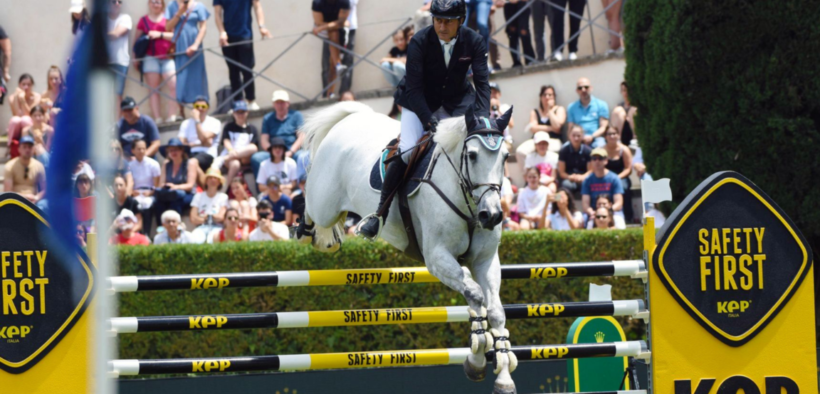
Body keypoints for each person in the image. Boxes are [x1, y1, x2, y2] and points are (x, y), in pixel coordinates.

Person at [359, 0, 491, 238]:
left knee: (478, 147)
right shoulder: (419, 41)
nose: (442, 26)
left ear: (460, 21)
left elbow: (482, 86)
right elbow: (414, 90)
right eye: (438, 20)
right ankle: (380, 214)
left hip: (456, 101)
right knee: (409, 149)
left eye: (448, 21)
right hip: (417, 101)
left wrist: (482, 120)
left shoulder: (474, 41)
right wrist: (429, 120)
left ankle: (485, 206)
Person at [214, 0, 272, 111]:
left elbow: (257, 5)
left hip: (245, 34)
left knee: (247, 68)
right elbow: (217, 13)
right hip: (227, 37)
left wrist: (262, 26)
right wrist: (221, 31)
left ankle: (251, 100)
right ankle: (238, 102)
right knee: (233, 71)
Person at [135, 0, 179, 123]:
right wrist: (135, 58)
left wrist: (159, 34)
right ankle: (157, 118)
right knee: (153, 89)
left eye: (158, 2)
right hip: (150, 57)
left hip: (167, 57)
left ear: (162, 5)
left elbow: (175, 35)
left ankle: (171, 116)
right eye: (153, 2)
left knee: (174, 85)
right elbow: (137, 40)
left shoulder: (168, 18)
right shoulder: (143, 20)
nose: (156, 4)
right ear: (149, 4)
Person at [165, 0, 210, 108]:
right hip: (180, 45)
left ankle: (199, 106)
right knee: (181, 76)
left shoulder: (198, 6)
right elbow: (167, 27)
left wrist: (196, 44)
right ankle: (181, 109)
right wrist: (179, 13)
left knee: (197, 76)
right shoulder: (172, 5)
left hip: (195, 45)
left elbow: (203, 27)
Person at [252, 90, 305, 178]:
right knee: (256, 158)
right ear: (273, 104)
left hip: (292, 150)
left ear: (288, 103)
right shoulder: (267, 118)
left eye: (282, 102)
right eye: (277, 102)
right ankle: (263, 189)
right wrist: (274, 152)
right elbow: (264, 140)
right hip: (274, 150)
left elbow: (302, 137)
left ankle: (302, 187)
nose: (280, 105)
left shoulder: (296, 115)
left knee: (303, 156)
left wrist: (290, 152)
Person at [312, 0, 351, 99]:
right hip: (323, 31)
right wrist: (331, 26)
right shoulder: (317, 2)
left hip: (338, 31)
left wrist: (326, 26)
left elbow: (341, 22)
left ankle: (330, 93)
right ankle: (338, 65)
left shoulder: (345, 1)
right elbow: (318, 22)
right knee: (328, 66)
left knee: (332, 65)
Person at [178, 95, 221, 184]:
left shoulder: (214, 122)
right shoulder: (185, 123)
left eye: (203, 106)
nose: (200, 109)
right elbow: (182, 144)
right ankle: (204, 186)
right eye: (197, 107)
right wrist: (201, 143)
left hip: (207, 154)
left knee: (192, 162)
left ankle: (201, 187)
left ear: (208, 108)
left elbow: (204, 138)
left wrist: (197, 120)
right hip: (190, 153)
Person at [217, 100, 259, 187]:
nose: (240, 115)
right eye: (238, 112)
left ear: (247, 112)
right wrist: (231, 150)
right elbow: (226, 141)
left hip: (242, 157)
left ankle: (222, 159)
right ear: (233, 113)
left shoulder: (252, 129)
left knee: (253, 148)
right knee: (235, 164)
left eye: (242, 112)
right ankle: (227, 188)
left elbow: (253, 146)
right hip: (230, 157)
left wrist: (236, 154)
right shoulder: (229, 126)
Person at [153, 137, 197, 219]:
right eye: (171, 150)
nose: (173, 152)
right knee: (158, 203)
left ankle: (175, 227)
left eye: (176, 149)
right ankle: (161, 228)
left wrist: (175, 187)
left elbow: (190, 185)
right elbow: (161, 184)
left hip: (187, 194)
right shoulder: (166, 165)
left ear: (182, 151)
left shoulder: (190, 163)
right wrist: (166, 186)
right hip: (170, 194)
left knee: (175, 203)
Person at [581, 147, 624, 226]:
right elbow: (585, 204)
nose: (597, 161)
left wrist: (607, 212)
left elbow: (619, 203)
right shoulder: (587, 180)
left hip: (612, 211)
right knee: (582, 220)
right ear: (591, 161)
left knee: (620, 221)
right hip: (594, 212)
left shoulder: (614, 178)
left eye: (600, 158)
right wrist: (592, 212)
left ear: (606, 161)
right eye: (594, 158)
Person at [4, 136, 47, 211]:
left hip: (34, 202)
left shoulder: (39, 166)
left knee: (44, 205)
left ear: (33, 149)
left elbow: (45, 189)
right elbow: (8, 191)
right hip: (15, 201)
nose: (27, 149)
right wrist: (25, 197)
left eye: (30, 147)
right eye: (24, 147)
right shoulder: (10, 166)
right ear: (19, 149)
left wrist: (37, 197)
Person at [129, 139, 161, 233]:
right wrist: (132, 192)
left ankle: (146, 233)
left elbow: (157, 184)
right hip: (135, 193)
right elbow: (129, 183)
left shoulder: (153, 164)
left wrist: (151, 192)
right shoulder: (130, 165)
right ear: (133, 150)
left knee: (147, 205)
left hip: (149, 193)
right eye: (139, 149)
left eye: (144, 148)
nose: (142, 151)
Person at [567, 77, 609, 148]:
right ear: (577, 91)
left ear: (591, 88)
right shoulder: (571, 107)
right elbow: (570, 129)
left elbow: (603, 127)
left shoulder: (601, 105)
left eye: (586, 87)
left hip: (596, 138)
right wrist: (579, 138)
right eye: (580, 88)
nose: (583, 90)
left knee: (601, 147)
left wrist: (592, 136)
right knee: (565, 149)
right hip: (578, 138)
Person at [603, 125, 633, 222]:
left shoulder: (624, 150)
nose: (612, 136)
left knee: (624, 188)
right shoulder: (602, 150)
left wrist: (616, 178)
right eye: (609, 134)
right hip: (605, 177)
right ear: (605, 136)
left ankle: (628, 217)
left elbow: (628, 169)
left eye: (614, 134)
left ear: (618, 135)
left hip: (621, 177)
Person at [190, 167, 228, 243]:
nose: (213, 180)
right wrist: (207, 218)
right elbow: (193, 218)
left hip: (217, 227)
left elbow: (221, 217)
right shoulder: (198, 196)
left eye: (215, 178)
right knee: (195, 240)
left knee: (213, 240)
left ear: (219, 182)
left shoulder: (223, 197)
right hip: (201, 227)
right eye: (210, 178)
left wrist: (204, 217)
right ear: (206, 181)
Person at [106, 0, 132, 108]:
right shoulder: (102, 20)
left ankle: (117, 123)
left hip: (120, 62)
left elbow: (116, 34)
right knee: (104, 95)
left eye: (119, 1)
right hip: (104, 63)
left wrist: (99, 34)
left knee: (117, 95)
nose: (117, 4)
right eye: (113, 1)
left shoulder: (125, 18)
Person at [7, 74, 39, 158]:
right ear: (19, 85)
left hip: (29, 125)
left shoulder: (36, 97)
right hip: (18, 127)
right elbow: (16, 114)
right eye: (23, 84)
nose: (26, 87)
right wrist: (17, 98)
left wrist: (23, 100)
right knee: (15, 120)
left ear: (32, 85)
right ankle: (10, 146)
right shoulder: (12, 98)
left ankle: (28, 145)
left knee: (25, 119)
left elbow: (31, 115)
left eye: (29, 84)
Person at [557, 124, 592, 192]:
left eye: (578, 136)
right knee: (566, 185)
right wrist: (569, 177)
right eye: (573, 135)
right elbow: (561, 172)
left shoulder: (588, 151)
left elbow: (590, 171)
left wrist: (582, 177)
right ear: (569, 136)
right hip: (569, 178)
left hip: (583, 178)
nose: (576, 138)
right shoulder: (563, 151)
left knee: (588, 183)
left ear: (582, 136)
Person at [503, 0, 535, 67]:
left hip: (522, 4)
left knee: (524, 32)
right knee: (512, 33)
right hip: (509, 6)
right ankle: (516, 62)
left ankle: (530, 59)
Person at [338, 0, 358, 94]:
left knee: (348, 60)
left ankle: (344, 92)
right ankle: (328, 94)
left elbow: (350, 4)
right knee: (329, 62)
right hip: (331, 29)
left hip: (350, 28)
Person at [610, 81, 636, 145]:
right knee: (618, 110)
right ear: (621, 92)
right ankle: (617, 141)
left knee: (633, 110)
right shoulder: (619, 106)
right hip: (622, 133)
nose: (626, 92)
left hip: (633, 133)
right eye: (624, 90)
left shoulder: (636, 105)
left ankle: (635, 141)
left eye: (628, 90)